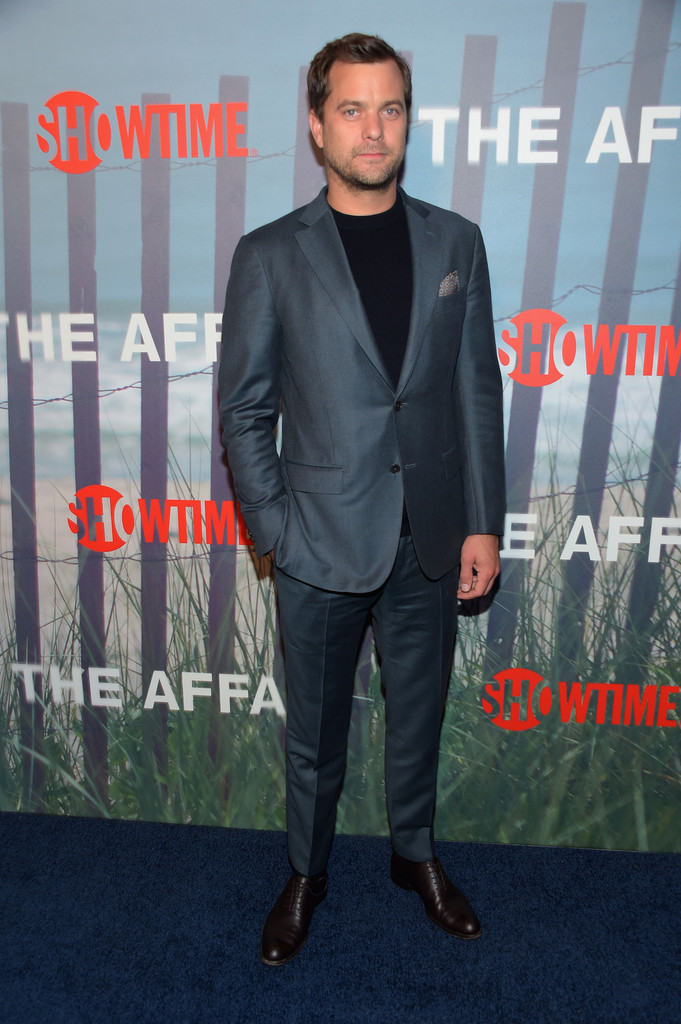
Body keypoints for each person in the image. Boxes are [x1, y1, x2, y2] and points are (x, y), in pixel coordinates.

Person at [219, 32, 505, 965]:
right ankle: (306, 871)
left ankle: (412, 855)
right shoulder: (269, 256)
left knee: (417, 717)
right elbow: (246, 407)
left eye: (388, 108)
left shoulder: (455, 241)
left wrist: (480, 525)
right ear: (316, 125)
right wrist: (274, 533)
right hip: (316, 545)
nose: (371, 129)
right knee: (316, 736)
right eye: (351, 108)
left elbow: (474, 392)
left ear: (407, 121)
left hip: (428, 538)